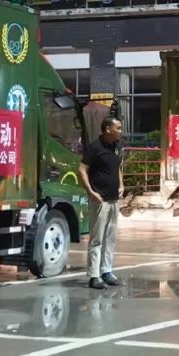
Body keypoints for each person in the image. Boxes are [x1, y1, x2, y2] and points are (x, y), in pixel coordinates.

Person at [80, 116, 125, 289]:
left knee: (110, 237)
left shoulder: (115, 147)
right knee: (97, 239)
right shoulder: (95, 147)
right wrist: (90, 192)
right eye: (118, 128)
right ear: (107, 129)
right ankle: (94, 275)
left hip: (114, 199)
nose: (120, 131)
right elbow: (82, 170)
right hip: (100, 200)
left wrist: (121, 184)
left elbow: (117, 168)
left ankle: (107, 271)